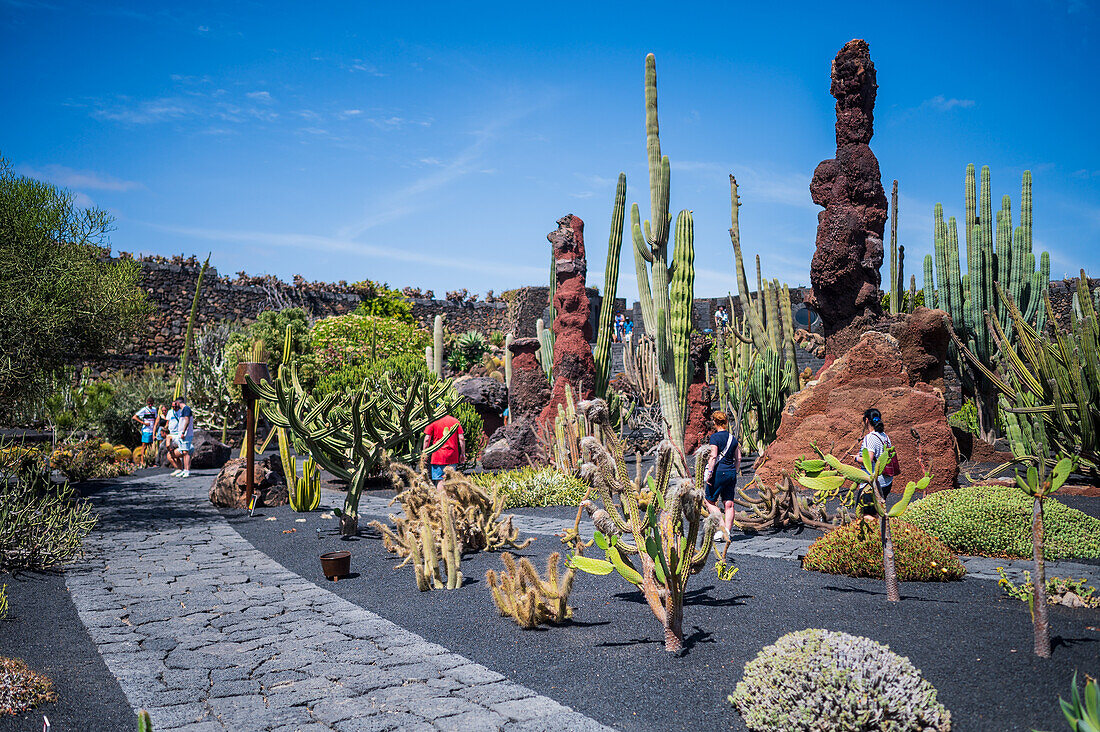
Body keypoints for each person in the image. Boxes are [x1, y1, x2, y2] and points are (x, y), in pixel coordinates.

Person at [702, 410, 741, 542]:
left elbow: (713, 456)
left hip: (718, 472)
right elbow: (739, 458)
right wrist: (734, 471)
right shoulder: (732, 438)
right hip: (730, 472)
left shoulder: (715, 438)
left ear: (715, 422)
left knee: (709, 501)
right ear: (725, 422)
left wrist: (710, 473)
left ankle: (722, 529)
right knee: (729, 504)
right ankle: (727, 533)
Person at [857, 408, 894, 513]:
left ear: (867, 420)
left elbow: (868, 460)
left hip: (873, 484)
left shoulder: (870, 437)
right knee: (878, 512)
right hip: (887, 482)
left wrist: (856, 458)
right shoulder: (885, 436)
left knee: (865, 515)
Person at [423, 413, 465, 490]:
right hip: (452, 455)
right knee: (451, 480)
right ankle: (450, 500)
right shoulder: (455, 421)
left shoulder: (433, 421)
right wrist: (462, 454)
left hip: (437, 456)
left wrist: (424, 453)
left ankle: (442, 500)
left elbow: (427, 439)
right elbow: (461, 438)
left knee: (440, 480)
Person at [169, 396, 194, 478]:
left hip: (186, 434)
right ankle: (184, 470)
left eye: (176, 403)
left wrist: (183, 432)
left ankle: (187, 470)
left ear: (178, 403)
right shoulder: (184, 410)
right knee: (183, 452)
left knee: (186, 452)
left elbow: (187, 420)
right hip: (182, 434)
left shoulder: (186, 409)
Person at [131, 397, 157, 465]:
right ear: (147, 403)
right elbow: (134, 417)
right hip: (146, 430)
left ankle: (150, 461)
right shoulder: (144, 409)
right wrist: (143, 423)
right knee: (144, 446)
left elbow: (156, 418)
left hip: (152, 430)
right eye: (149, 404)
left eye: (151, 404)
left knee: (151, 447)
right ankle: (142, 462)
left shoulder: (154, 410)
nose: (150, 405)